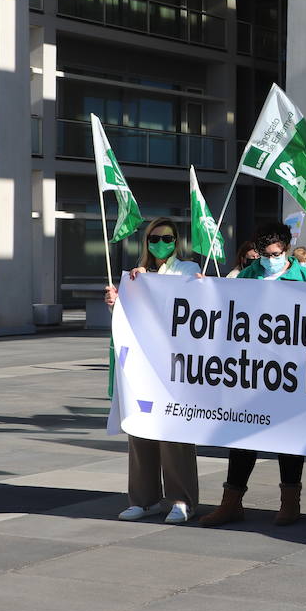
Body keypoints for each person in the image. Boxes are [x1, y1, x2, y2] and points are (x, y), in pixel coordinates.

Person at [200, 221, 306, 528]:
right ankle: (231, 503)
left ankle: (290, 503)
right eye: (264, 254)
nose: (269, 259)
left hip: (292, 371)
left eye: (275, 253)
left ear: (286, 249)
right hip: (252, 370)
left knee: (289, 439)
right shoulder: (250, 274)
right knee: (241, 436)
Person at [104, 217, 201, 524]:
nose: (162, 243)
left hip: (174, 366)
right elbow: (127, 318)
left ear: (177, 241)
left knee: (174, 434)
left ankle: (181, 499)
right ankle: (144, 500)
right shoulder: (136, 274)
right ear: (147, 242)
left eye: (168, 238)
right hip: (142, 365)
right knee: (140, 430)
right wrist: (116, 302)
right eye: (155, 238)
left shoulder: (187, 270)